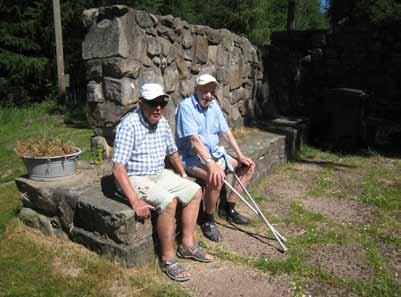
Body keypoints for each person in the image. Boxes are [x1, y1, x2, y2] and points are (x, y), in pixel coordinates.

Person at [112, 83, 213, 282]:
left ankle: (187, 245)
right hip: (135, 177)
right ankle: (168, 258)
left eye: (162, 102)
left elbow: (172, 152)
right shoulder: (129, 125)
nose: (158, 107)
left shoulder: (162, 122)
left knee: (194, 191)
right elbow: (118, 168)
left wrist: (183, 174)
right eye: (153, 103)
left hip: (159, 173)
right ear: (141, 104)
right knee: (168, 202)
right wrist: (135, 201)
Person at [175, 74, 255, 242]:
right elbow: (194, 140)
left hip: (214, 154)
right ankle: (208, 218)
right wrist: (211, 165)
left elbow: (226, 132)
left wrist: (240, 155)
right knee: (217, 176)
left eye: (211, 91)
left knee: (248, 166)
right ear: (196, 90)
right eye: (205, 91)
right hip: (191, 157)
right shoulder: (186, 107)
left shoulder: (213, 106)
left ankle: (228, 208)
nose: (209, 95)